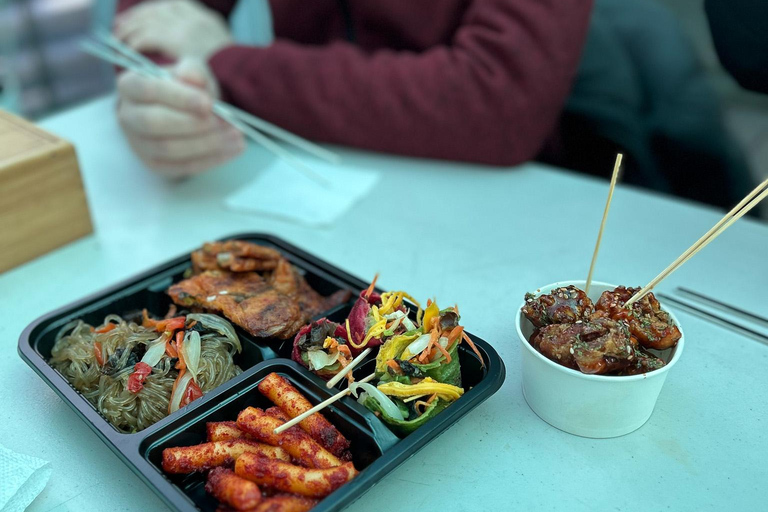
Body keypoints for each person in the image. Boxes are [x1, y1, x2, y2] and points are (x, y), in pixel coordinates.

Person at [114, 0, 593, 177]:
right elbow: (153, 16)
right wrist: (169, 95)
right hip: (297, 174)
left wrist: (230, 63)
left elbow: (497, 102)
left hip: (501, 193)